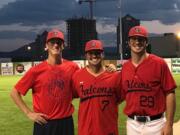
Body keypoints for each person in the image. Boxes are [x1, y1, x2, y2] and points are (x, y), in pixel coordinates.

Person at [10, 29, 79, 135]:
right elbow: (14, 92)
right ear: (46, 46)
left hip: (66, 123)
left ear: (63, 45)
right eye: (52, 42)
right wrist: (29, 113)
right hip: (44, 124)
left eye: (59, 42)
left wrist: (109, 70)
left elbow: (82, 86)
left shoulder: (73, 67)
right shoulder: (36, 70)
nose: (56, 45)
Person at [121, 25, 177, 135]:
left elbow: (170, 93)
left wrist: (169, 124)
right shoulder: (125, 67)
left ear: (146, 42)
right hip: (132, 124)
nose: (137, 42)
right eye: (134, 39)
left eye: (141, 39)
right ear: (128, 42)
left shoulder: (159, 63)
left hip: (156, 124)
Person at [72, 39, 122, 135]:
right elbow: (70, 95)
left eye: (97, 52)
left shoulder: (114, 76)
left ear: (103, 54)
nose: (94, 55)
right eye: (90, 53)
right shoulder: (77, 76)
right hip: (86, 131)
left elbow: (120, 98)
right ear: (86, 55)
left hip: (108, 131)